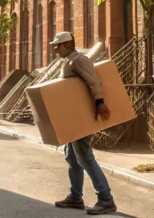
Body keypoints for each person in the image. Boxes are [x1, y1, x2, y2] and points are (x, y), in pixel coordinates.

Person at [50, 31, 117, 215]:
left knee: (85, 156)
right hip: (73, 117)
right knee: (71, 157)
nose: (56, 49)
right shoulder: (69, 61)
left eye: (58, 46)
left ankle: (106, 199)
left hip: (83, 117)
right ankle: (75, 197)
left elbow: (94, 81)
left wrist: (100, 102)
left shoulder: (79, 60)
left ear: (67, 44)